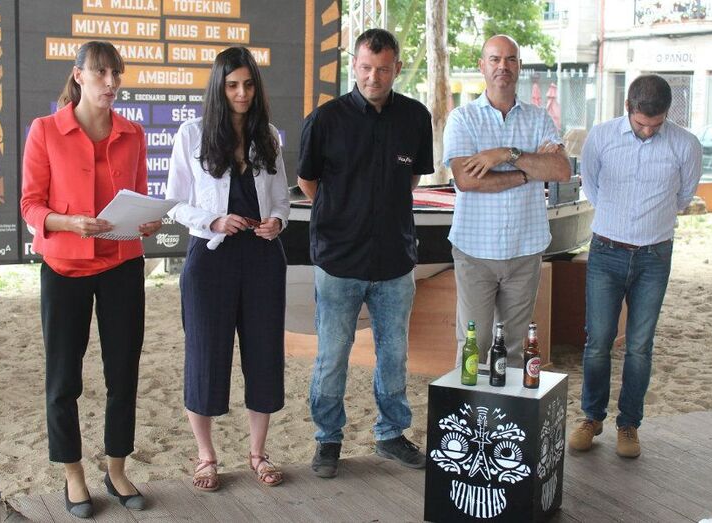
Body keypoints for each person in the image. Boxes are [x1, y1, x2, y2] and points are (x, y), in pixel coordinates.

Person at [20, 41, 160, 518]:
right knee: (64, 379)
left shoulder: (133, 133)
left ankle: (116, 470)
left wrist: (148, 221)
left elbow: (138, 197)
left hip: (122, 266)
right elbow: (30, 206)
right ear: (78, 75)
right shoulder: (45, 130)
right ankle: (74, 475)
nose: (110, 82)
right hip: (64, 269)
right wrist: (68, 222)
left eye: (116, 73)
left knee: (123, 373)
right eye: (100, 72)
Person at [298, 28, 434, 478]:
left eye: (383, 69)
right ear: (353, 65)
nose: (374, 77)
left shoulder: (415, 117)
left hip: (395, 260)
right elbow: (308, 182)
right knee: (332, 356)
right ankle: (327, 439)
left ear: (397, 68)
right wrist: (344, 218)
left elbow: (412, 179)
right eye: (366, 68)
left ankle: (391, 434)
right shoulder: (325, 120)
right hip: (338, 261)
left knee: (394, 355)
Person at [166, 47, 290, 491]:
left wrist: (278, 222)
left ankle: (258, 453)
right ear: (219, 87)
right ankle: (206, 456)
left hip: (262, 259)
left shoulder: (268, 135)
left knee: (264, 355)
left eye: (248, 84)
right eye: (232, 85)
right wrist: (213, 221)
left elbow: (281, 198)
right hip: (210, 258)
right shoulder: (192, 134)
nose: (241, 93)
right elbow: (175, 203)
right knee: (204, 356)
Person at [567, 74, 702, 458]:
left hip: (655, 256)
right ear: (628, 108)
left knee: (640, 345)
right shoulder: (601, 137)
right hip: (606, 251)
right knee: (598, 341)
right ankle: (592, 417)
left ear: (667, 114)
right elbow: (592, 187)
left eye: (656, 124)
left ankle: (629, 425)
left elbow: (683, 197)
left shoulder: (686, 145)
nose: (648, 130)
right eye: (642, 123)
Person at [443, 35, 571, 368]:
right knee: (474, 344)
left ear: (520, 66)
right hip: (475, 251)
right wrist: (529, 172)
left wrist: (505, 154)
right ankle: (470, 403)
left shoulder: (539, 118)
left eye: (511, 59)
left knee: (514, 347)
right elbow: (467, 180)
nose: (503, 66)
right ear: (481, 66)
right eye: (495, 59)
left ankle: (507, 404)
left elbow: (560, 170)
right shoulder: (462, 119)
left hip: (525, 249)